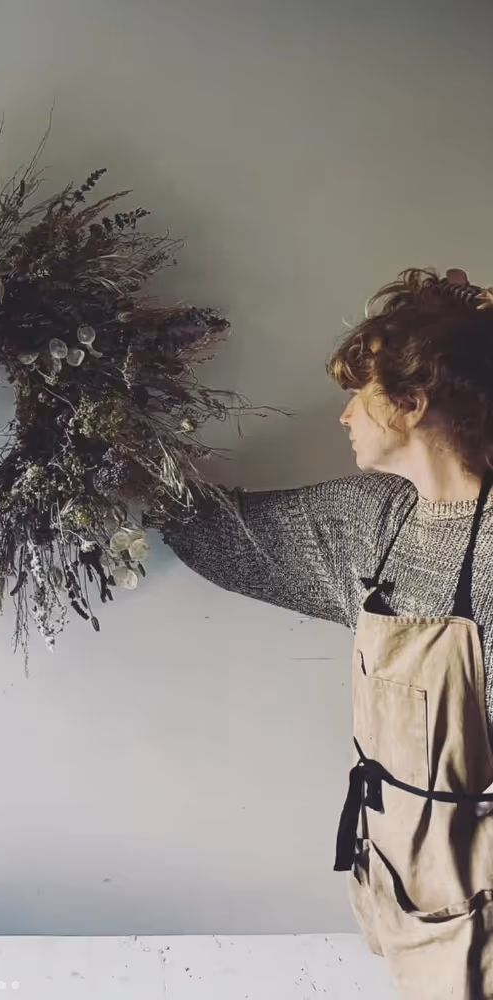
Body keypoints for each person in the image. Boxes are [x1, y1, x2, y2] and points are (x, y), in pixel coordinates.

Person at [149, 267, 493, 1000]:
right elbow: (234, 535)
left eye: (356, 395)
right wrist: (118, 468)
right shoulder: (376, 521)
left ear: (412, 401)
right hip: (402, 891)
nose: (343, 417)